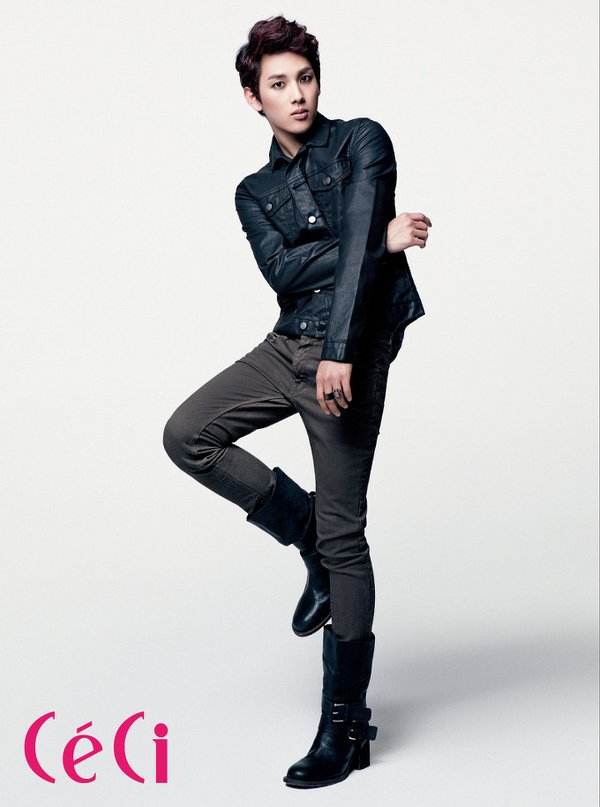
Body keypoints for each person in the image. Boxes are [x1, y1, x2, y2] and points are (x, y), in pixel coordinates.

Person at [162, 14, 431, 789]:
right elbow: (285, 274)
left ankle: (345, 726)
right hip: (287, 346)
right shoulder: (253, 190)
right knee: (187, 434)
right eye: (278, 83)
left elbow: (349, 262)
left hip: (352, 353)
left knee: (348, 537)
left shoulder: (362, 142)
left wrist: (341, 348)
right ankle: (302, 529)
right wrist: (378, 238)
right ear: (254, 97)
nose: (297, 94)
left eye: (305, 78)